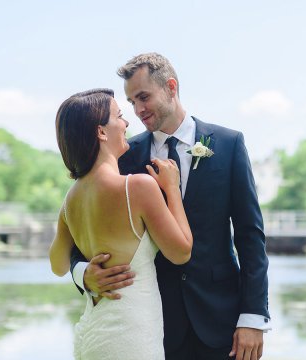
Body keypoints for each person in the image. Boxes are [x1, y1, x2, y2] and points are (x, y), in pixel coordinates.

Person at [70, 53, 271, 360]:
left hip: (223, 320)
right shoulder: (122, 155)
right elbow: (81, 229)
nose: (137, 110)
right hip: (151, 324)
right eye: (131, 101)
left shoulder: (229, 145)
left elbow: (250, 235)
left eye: (143, 97)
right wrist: (83, 273)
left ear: (171, 88)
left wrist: (253, 316)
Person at [49, 88, 193, 359]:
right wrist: (172, 188)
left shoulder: (71, 198)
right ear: (101, 132)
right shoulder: (137, 186)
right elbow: (181, 252)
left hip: (92, 331)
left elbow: (57, 265)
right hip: (131, 336)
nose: (127, 123)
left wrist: (84, 272)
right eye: (119, 116)